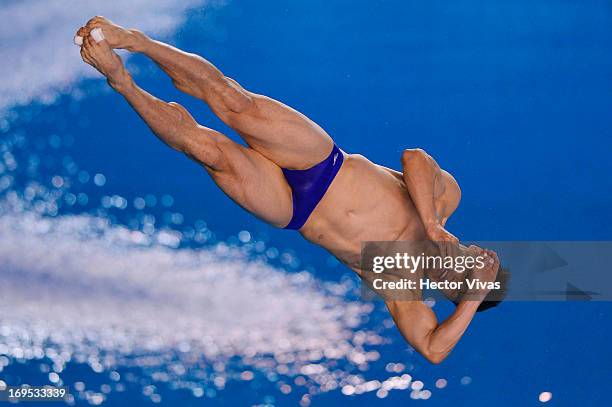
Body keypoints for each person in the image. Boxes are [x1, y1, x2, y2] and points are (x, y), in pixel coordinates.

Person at [75, 17, 506, 364]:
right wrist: (430, 224)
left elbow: (432, 349)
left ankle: (122, 82)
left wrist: (469, 303)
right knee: (231, 99)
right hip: (322, 161)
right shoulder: (447, 200)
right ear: (474, 251)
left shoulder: (402, 283)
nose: (460, 269)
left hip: (292, 208)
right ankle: (136, 40)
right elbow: (414, 157)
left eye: (462, 283)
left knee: (206, 150)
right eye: (472, 265)